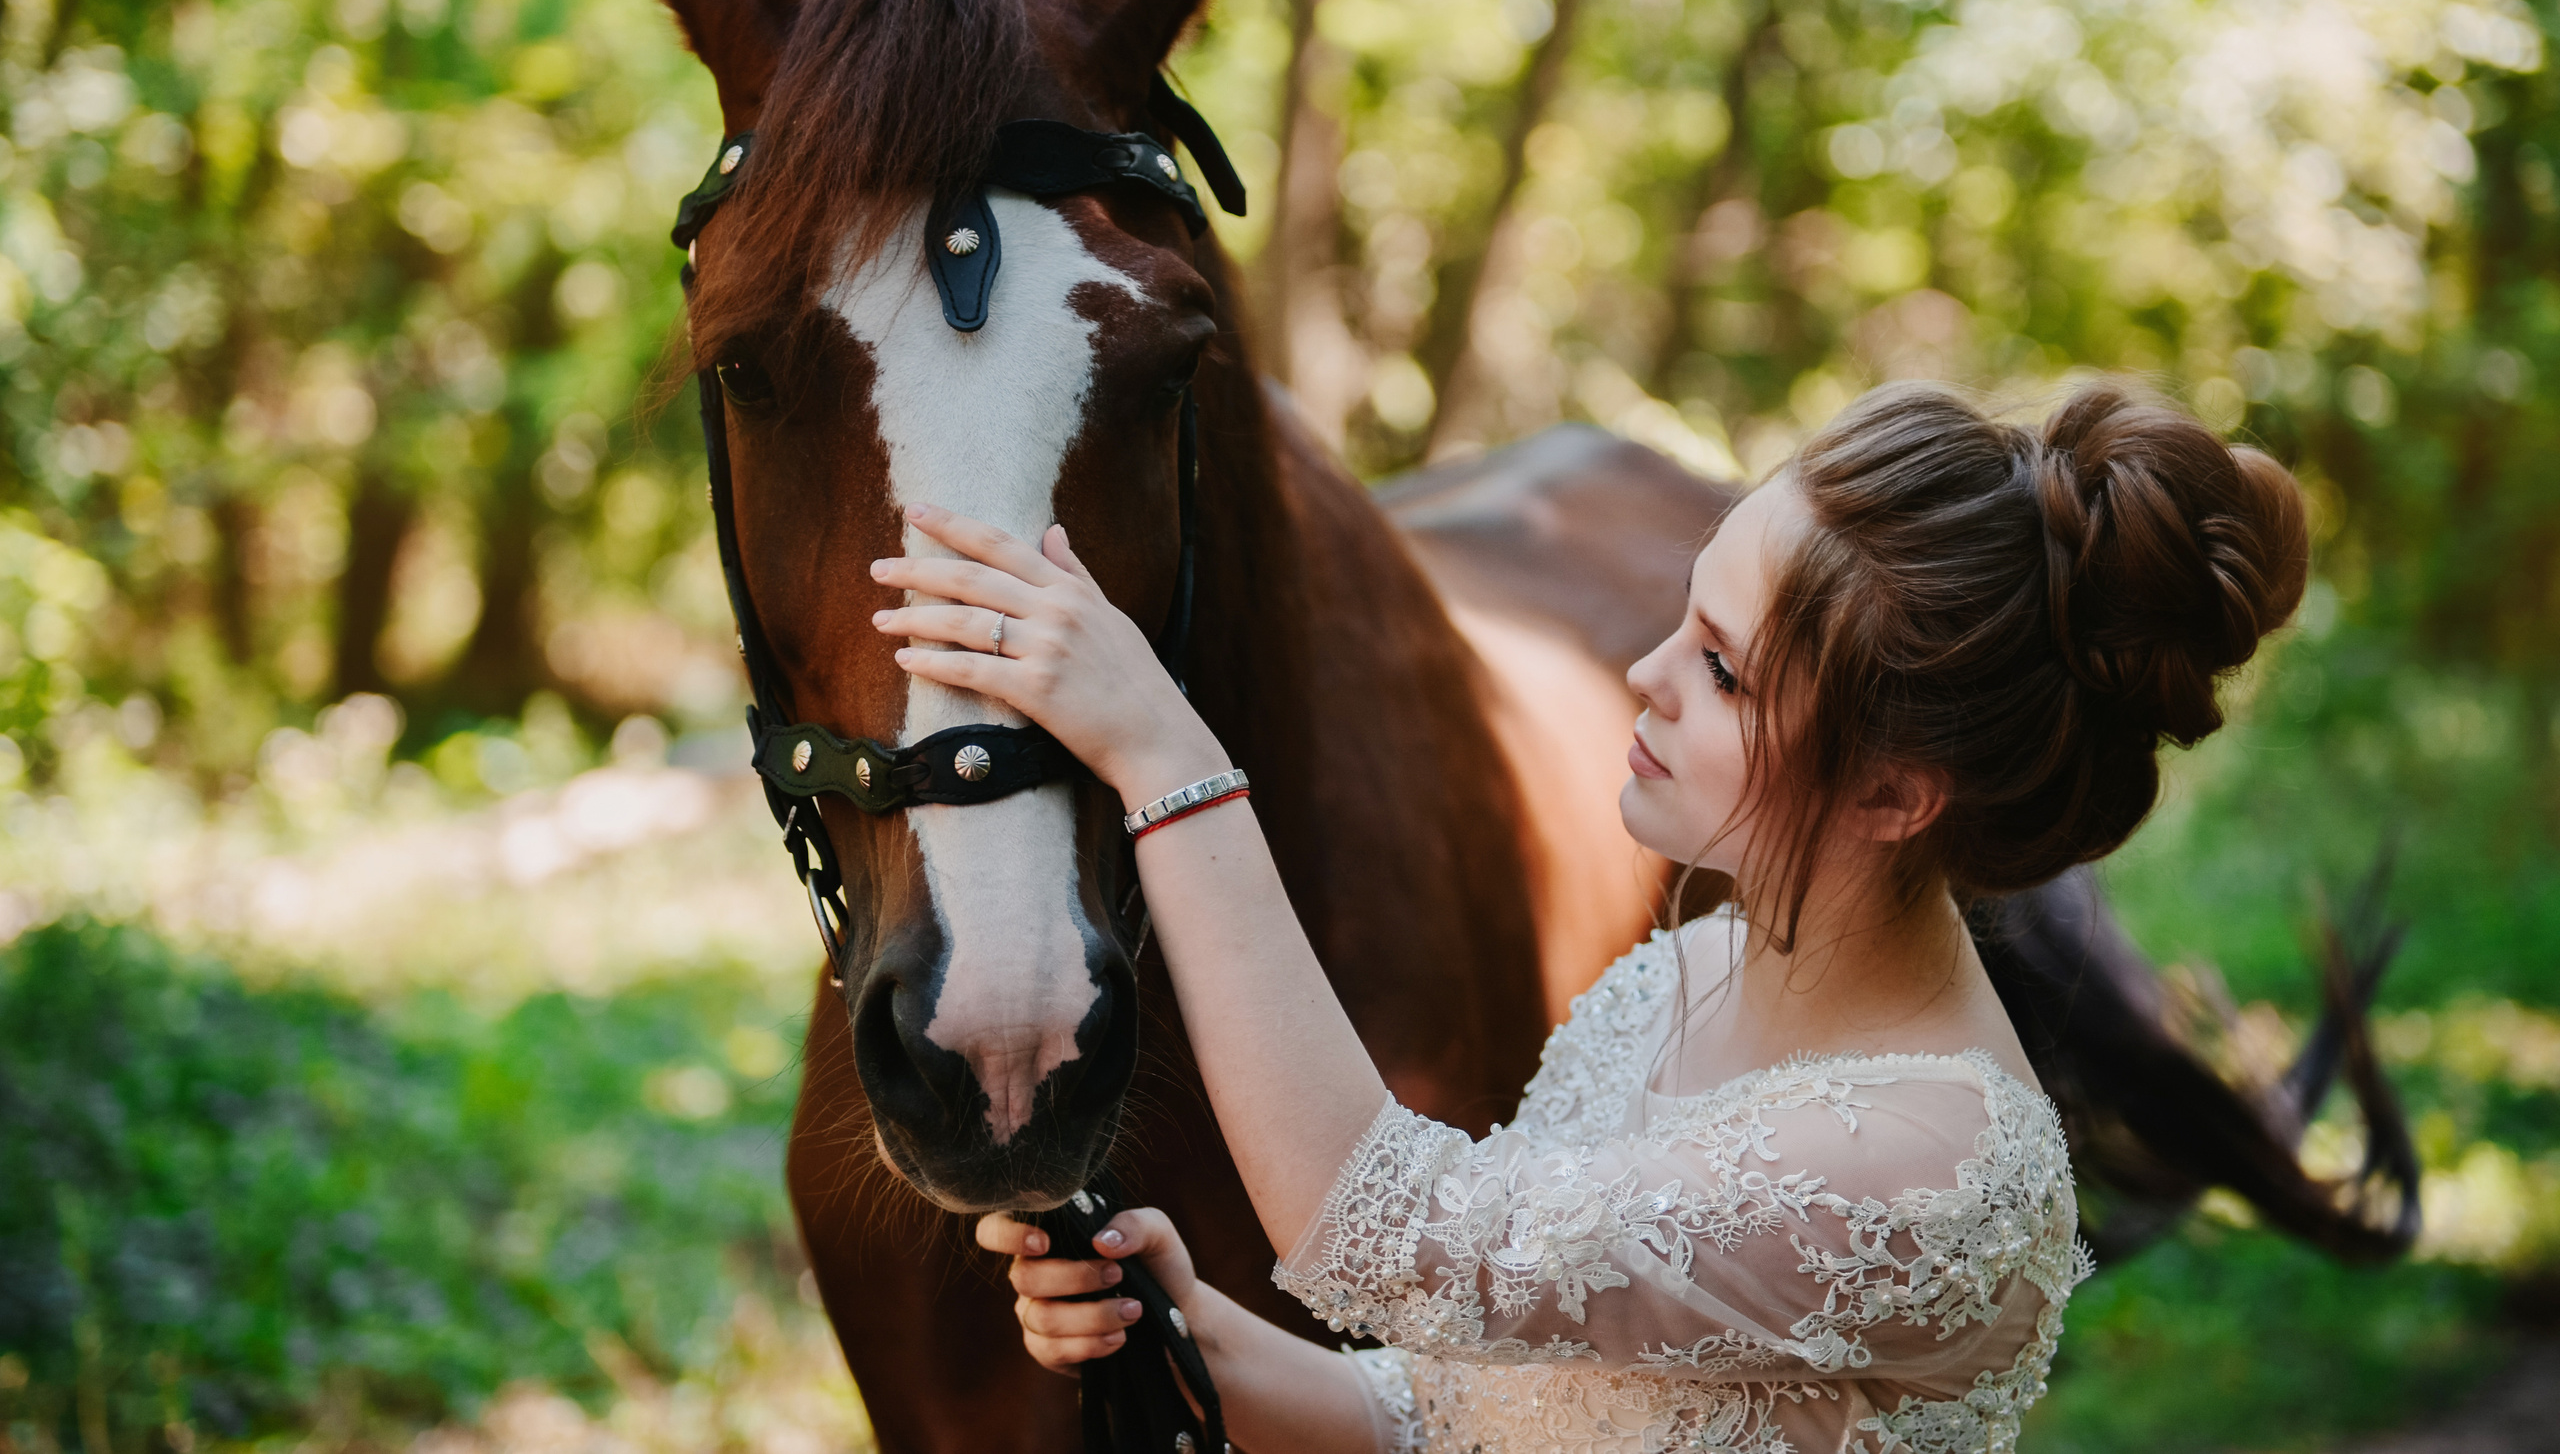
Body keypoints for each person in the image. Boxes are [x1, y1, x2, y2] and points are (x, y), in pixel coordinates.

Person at [870, 379, 2309, 1454]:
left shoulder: (1936, 1171)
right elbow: (1465, 1416)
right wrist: (1193, 1335)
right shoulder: (1685, 972)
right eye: (1686, 618)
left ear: (1892, 792)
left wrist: (1163, 755)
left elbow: (1387, 1233)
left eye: (1725, 672)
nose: (1644, 674)